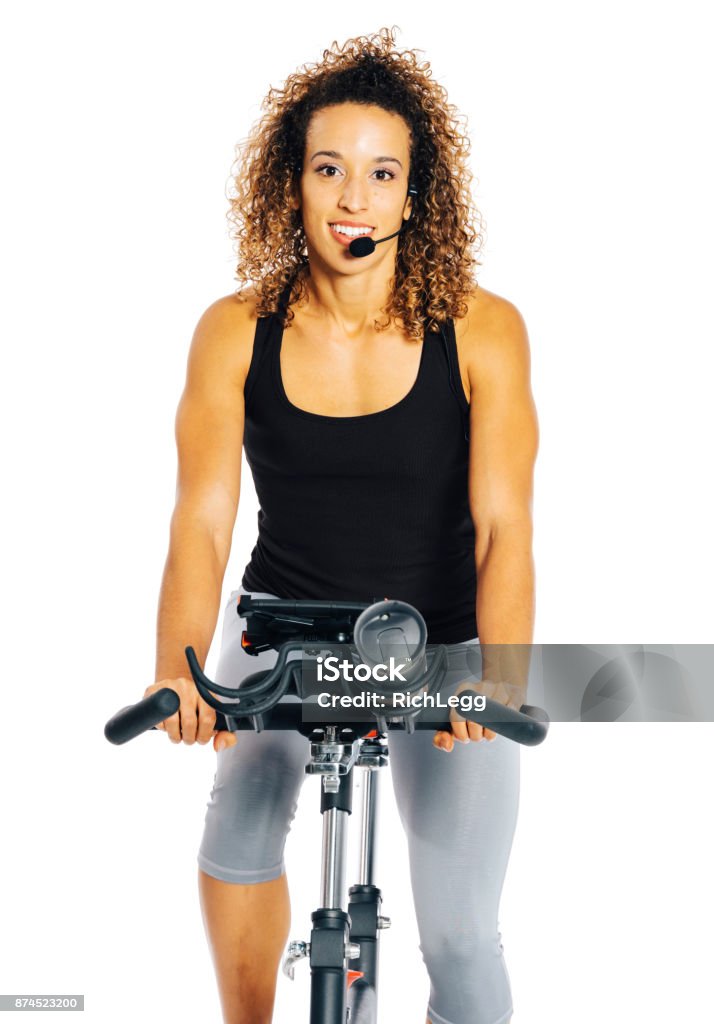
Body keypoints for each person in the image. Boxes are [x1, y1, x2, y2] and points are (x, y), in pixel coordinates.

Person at [142, 26, 538, 1024]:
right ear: (296, 184)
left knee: (459, 933)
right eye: (329, 169)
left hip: (437, 641)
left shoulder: (482, 328)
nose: (353, 198)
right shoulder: (235, 330)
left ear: (415, 195)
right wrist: (176, 666)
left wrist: (498, 678)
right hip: (283, 633)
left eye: (379, 173)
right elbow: (200, 518)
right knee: (236, 835)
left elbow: (503, 527)